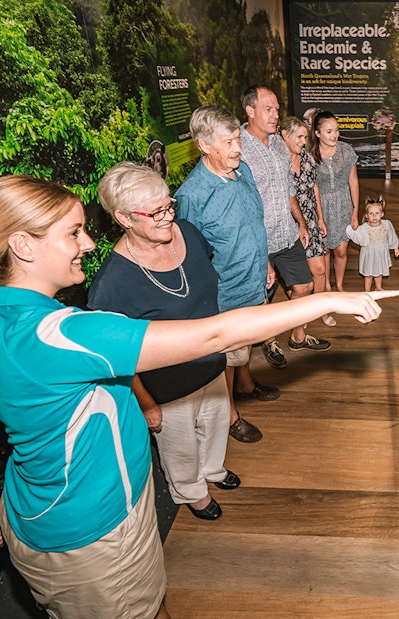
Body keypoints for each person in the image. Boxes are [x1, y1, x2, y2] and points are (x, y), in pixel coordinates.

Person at [0, 174, 399, 618]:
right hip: (94, 525)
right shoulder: (61, 335)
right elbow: (214, 335)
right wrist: (327, 301)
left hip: (50, 511)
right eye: (73, 233)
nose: (87, 243)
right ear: (23, 246)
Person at [88, 162, 238, 521]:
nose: (168, 216)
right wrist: (146, 403)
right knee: (181, 449)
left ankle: (213, 470)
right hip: (167, 388)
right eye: (156, 212)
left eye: (168, 205)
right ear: (124, 218)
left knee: (216, 428)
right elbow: (116, 359)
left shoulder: (187, 231)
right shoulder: (111, 284)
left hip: (211, 365)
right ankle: (192, 492)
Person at [175, 105, 278, 444]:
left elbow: (253, 223)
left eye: (238, 139)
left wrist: (264, 263)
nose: (238, 148)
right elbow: (188, 258)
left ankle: (246, 386)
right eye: (229, 142)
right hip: (226, 295)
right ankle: (230, 415)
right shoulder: (192, 196)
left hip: (253, 281)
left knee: (245, 347)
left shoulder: (242, 170)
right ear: (204, 145)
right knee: (227, 359)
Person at [240, 85, 331, 363]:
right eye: (269, 109)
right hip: (260, 239)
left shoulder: (279, 143)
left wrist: (301, 223)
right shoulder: (239, 149)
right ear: (250, 111)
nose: (275, 114)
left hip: (288, 233)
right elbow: (243, 204)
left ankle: (297, 337)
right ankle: (269, 341)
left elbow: (287, 189)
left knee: (303, 286)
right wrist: (261, 252)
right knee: (262, 296)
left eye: (277, 109)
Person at [281, 116, 336, 327]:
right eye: (300, 137)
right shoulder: (277, 162)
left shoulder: (306, 157)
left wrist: (320, 218)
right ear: (285, 135)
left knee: (320, 270)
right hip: (288, 223)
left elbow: (314, 187)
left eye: (305, 136)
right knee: (294, 277)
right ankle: (300, 313)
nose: (304, 141)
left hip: (310, 220)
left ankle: (319, 310)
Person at [307, 110, 359, 292]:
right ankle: (327, 287)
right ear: (317, 133)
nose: (335, 135)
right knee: (325, 250)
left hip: (344, 204)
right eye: (329, 131)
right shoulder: (310, 154)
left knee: (342, 251)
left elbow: (353, 181)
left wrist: (355, 211)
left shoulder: (346, 150)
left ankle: (339, 285)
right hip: (322, 208)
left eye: (336, 130)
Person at [346, 195, 399, 291]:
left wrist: (395, 247)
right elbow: (358, 237)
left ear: (382, 214)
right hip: (369, 255)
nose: (374, 216)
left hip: (381, 254)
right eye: (371, 213)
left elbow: (392, 235)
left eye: (377, 213)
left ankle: (378, 287)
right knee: (369, 274)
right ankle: (367, 291)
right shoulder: (364, 228)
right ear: (366, 215)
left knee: (379, 272)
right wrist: (349, 229)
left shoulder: (387, 224)